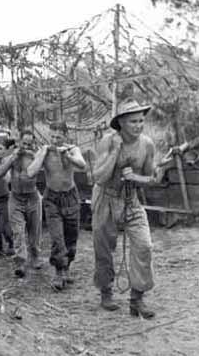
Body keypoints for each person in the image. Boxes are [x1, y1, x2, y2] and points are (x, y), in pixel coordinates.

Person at [91, 98, 156, 318]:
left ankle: (137, 300)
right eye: (133, 122)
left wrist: (136, 177)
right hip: (105, 199)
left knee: (144, 245)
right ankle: (106, 292)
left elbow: (152, 178)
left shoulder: (147, 144)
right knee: (104, 249)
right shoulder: (108, 142)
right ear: (121, 123)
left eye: (141, 121)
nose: (138, 125)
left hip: (131, 200)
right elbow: (98, 177)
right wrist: (115, 152)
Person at [27, 122, 86, 290]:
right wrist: (42, 154)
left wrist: (68, 156)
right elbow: (31, 172)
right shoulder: (44, 151)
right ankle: (58, 273)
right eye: (52, 136)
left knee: (71, 237)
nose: (54, 140)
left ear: (65, 136)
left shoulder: (72, 149)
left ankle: (67, 268)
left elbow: (82, 164)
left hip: (71, 198)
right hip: (52, 198)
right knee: (57, 238)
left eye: (58, 137)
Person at [0, 129, 43, 278]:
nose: (26, 146)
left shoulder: (37, 156)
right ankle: (20, 262)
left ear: (33, 143)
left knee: (34, 231)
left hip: (32, 197)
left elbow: (38, 169)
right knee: (18, 231)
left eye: (29, 143)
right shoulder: (12, 157)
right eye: (24, 143)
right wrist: (12, 157)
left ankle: (35, 256)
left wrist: (35, 155)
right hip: (16, 198)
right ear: (19, 142)